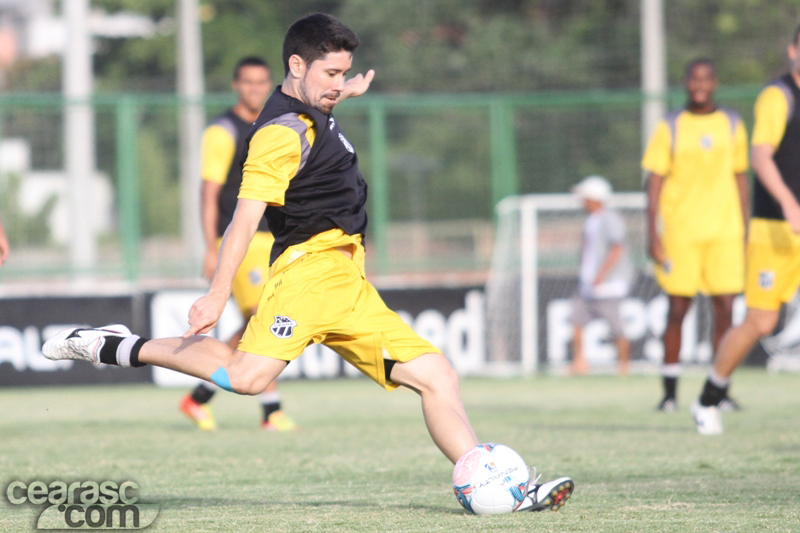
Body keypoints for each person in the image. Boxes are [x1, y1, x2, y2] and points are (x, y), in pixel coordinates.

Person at [43, 13, 573, 512]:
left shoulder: (315, 109)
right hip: (306, 276)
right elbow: (243, 219)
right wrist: (219, 291)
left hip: (347, 282)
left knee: (437, 375)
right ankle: (115, 344)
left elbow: (319, 119)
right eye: (331, 73)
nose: (338, 82)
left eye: (344, 72)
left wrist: (344, 93)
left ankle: (499, 487)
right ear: (296, 66)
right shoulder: (279, 134)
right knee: (247, 379)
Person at [692, 25, 800, 436]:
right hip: (775, 231)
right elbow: (760, 155)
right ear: (793, 49)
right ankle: (707, 399)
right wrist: (789, 201)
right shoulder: (779, 96)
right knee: (760, 322)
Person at [179, 56, 297, 432]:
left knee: (259, 322)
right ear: (235, 85)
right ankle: (270, 411)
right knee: (265, 319)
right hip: (240, 239)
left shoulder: (272, 125)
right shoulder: (223, 130)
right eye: (248, 82)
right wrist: (211, 247)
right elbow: (209, 192)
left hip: (270, 238)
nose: (256, 89)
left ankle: (198, 398)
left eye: (262, 82)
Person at [642, 57, 749, 412]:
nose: (699, 84)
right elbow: (654, 181)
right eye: (693, 78)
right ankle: (669, 394)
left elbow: (740, 177)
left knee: (726, 312)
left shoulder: (732, 123)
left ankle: (718, 393)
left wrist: (747, 229)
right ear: (686, 82)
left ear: (715, 82)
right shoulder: (671, 125)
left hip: (725, 231)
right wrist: (652, 232)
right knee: (677, 309)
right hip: (681, 233)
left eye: (706, 78)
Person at [569, 176, 632, 376]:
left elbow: (617, 249)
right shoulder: (590, 220)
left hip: (607, 286)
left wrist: (601, 274)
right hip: (588, 284)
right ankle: (579, 363)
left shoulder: (610, 218)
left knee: (616, 327)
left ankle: (623, 366)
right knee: (576, 321)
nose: (582, 201)